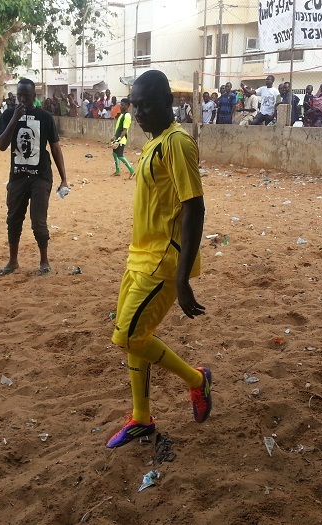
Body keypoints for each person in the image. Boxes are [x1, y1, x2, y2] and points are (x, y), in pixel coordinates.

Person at [105, 69, 212, 449]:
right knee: (135, 339)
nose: (139, 112)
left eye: (147, 104)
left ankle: (197, 380)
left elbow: (195, 207)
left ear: (168, 103)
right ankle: (141, 419)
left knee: (129, 336)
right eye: (135, 104)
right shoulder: (153, 143)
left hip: (164, 260)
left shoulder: (178, 144)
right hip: (139, 256)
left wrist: (183, 278)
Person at [0, 78, 69, 277]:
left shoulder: (45, 117)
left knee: (38, 221)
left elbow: (55, 147)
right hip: (18, 176)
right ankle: (13, 261)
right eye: (19, 96)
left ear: (34, 97)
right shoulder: (9, 114)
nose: (22, 100)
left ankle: (44, 260)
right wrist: (14, 119)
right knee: (13, 219)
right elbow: (1, 145)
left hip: (41, 176)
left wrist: (64, 178)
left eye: (26, 96)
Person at [111, 97, 135, 178]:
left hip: (121, 139)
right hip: (118, 138)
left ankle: (132, 170)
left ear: (127, 106)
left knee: (120, 155)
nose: (120, 106)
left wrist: (119, 139)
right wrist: (114, 136)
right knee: (114, 153)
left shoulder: (127, 116)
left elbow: (125, 130)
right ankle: (117, 170)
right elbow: (119, 128)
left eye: (122, 105)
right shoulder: (122, 115)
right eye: (120, 104)